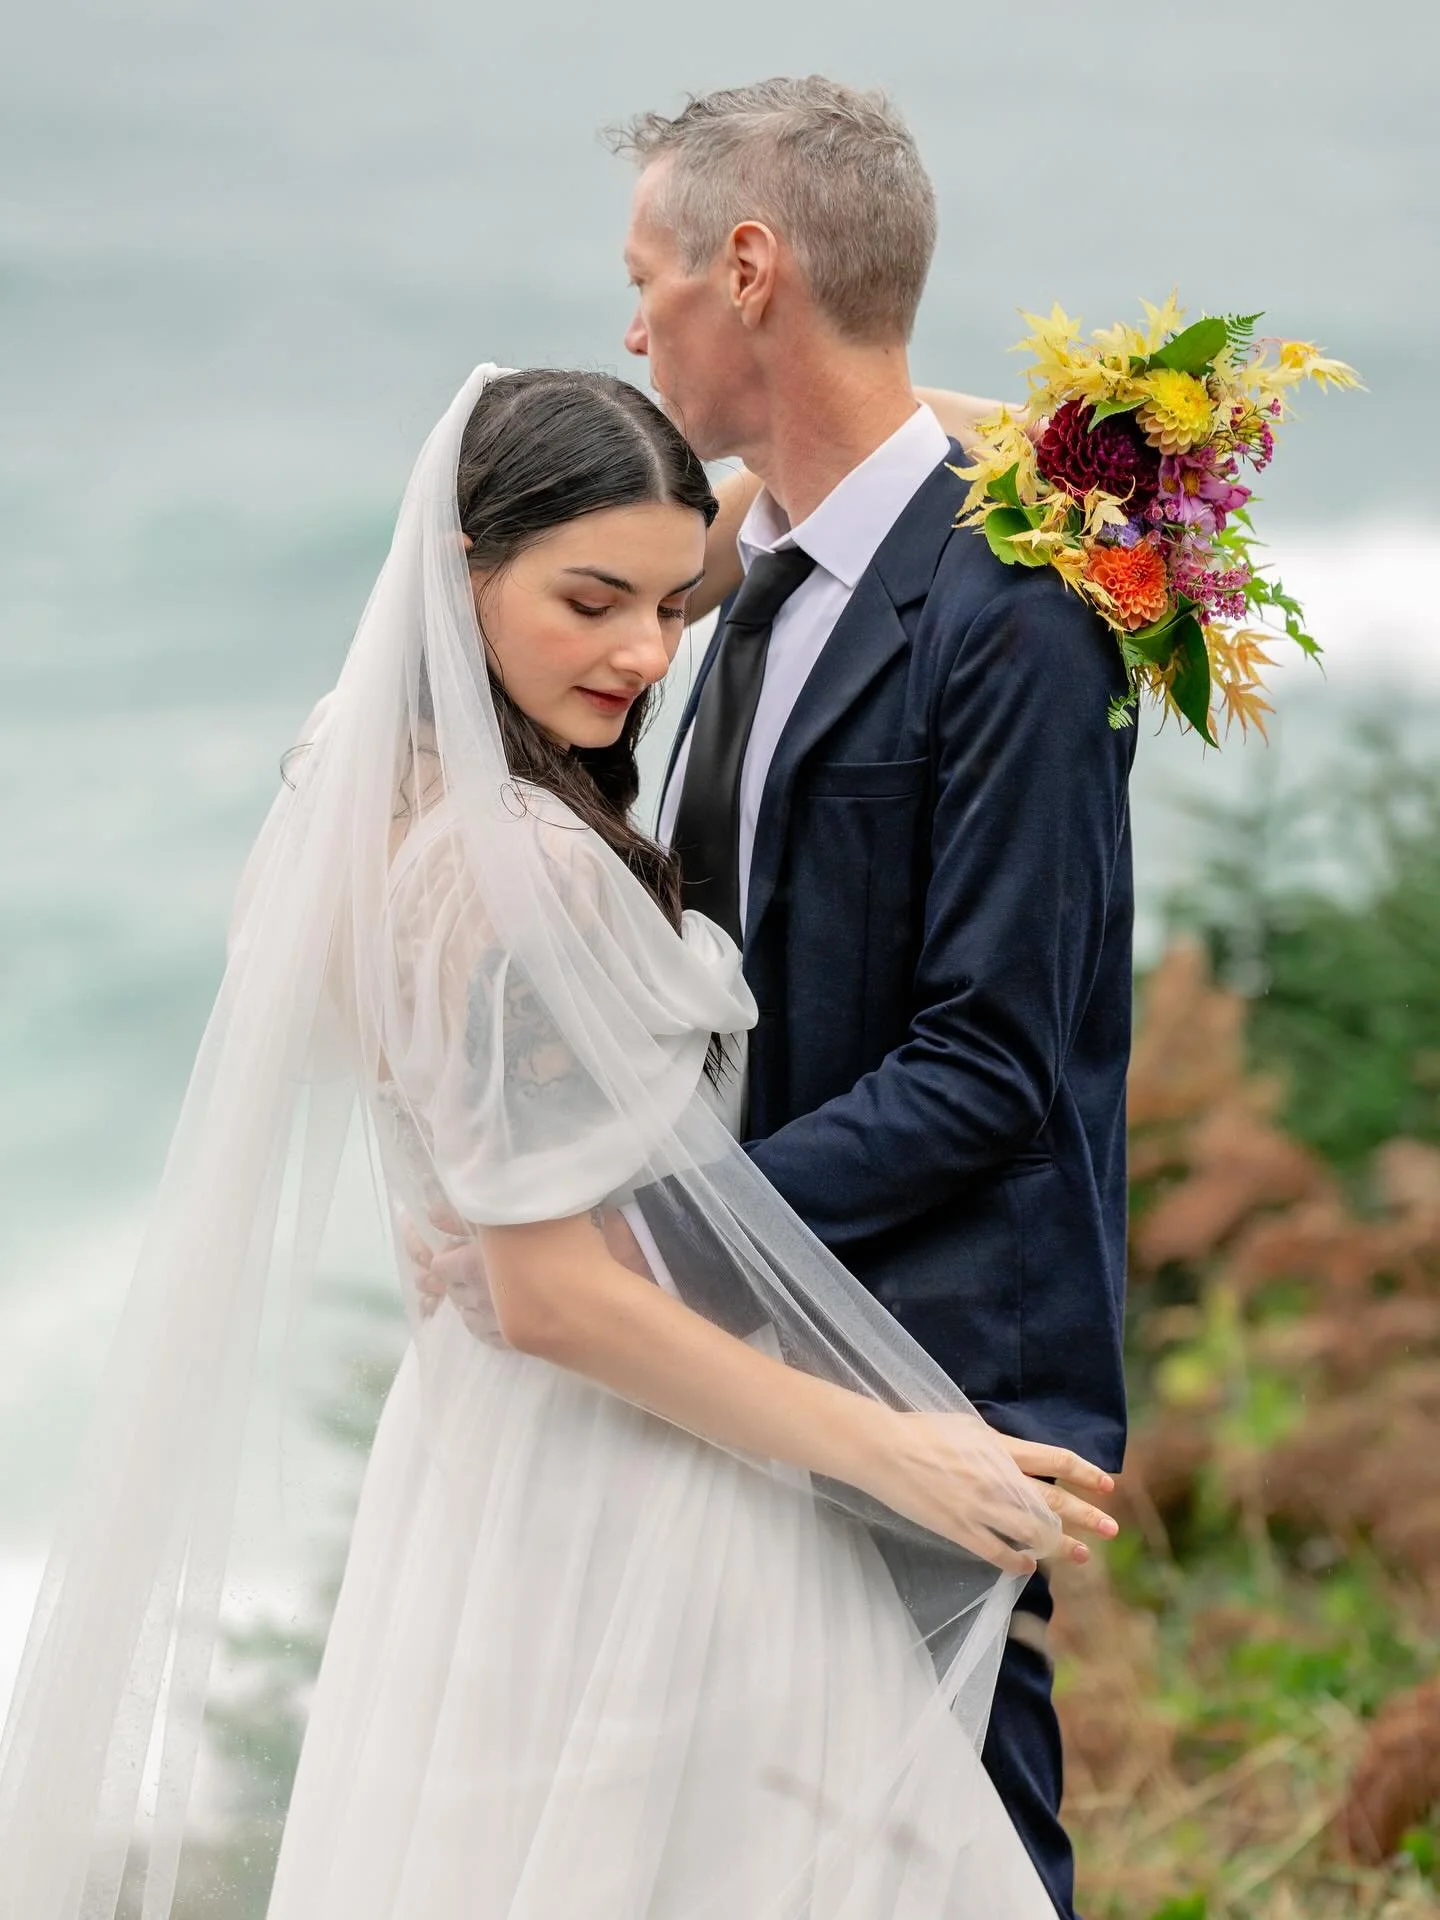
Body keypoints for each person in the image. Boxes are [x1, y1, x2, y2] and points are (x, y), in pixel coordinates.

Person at [0, 364, 1116, 1920]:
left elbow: (671, 542)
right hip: (643, 1484)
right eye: (590, 605)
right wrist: (917, 1454)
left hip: (481, 1472)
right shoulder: (520, 873)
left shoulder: (357, 770)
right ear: (462, 580)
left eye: (668, 608)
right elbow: (559, 1293)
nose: (645, 652)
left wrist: (882, 409)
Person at [441, 76, 1139, 1920]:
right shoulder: (731, 589)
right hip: (741, 1376)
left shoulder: (1019, 610)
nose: (631, 322)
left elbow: (994, 1063)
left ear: (747, 270)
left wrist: (627, 1239)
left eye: (648, 277)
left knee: (958, 1867)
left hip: (928, 1384)